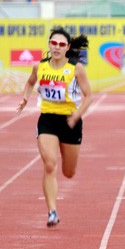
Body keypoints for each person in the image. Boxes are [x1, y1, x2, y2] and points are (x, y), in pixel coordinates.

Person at [16, 26, 93, 227]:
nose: (57, 47)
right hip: (48, 120)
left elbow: (89, 95)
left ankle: (54, 207)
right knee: (49, 164)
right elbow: (30, 82)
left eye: (61, 44)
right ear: (49, 45)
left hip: (70, 122)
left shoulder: (76, 68)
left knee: (69, 172)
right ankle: (52, 212)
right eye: (53, 43)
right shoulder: (39, 66)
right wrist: (25, 99)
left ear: (67, 47)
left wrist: (77, 115)